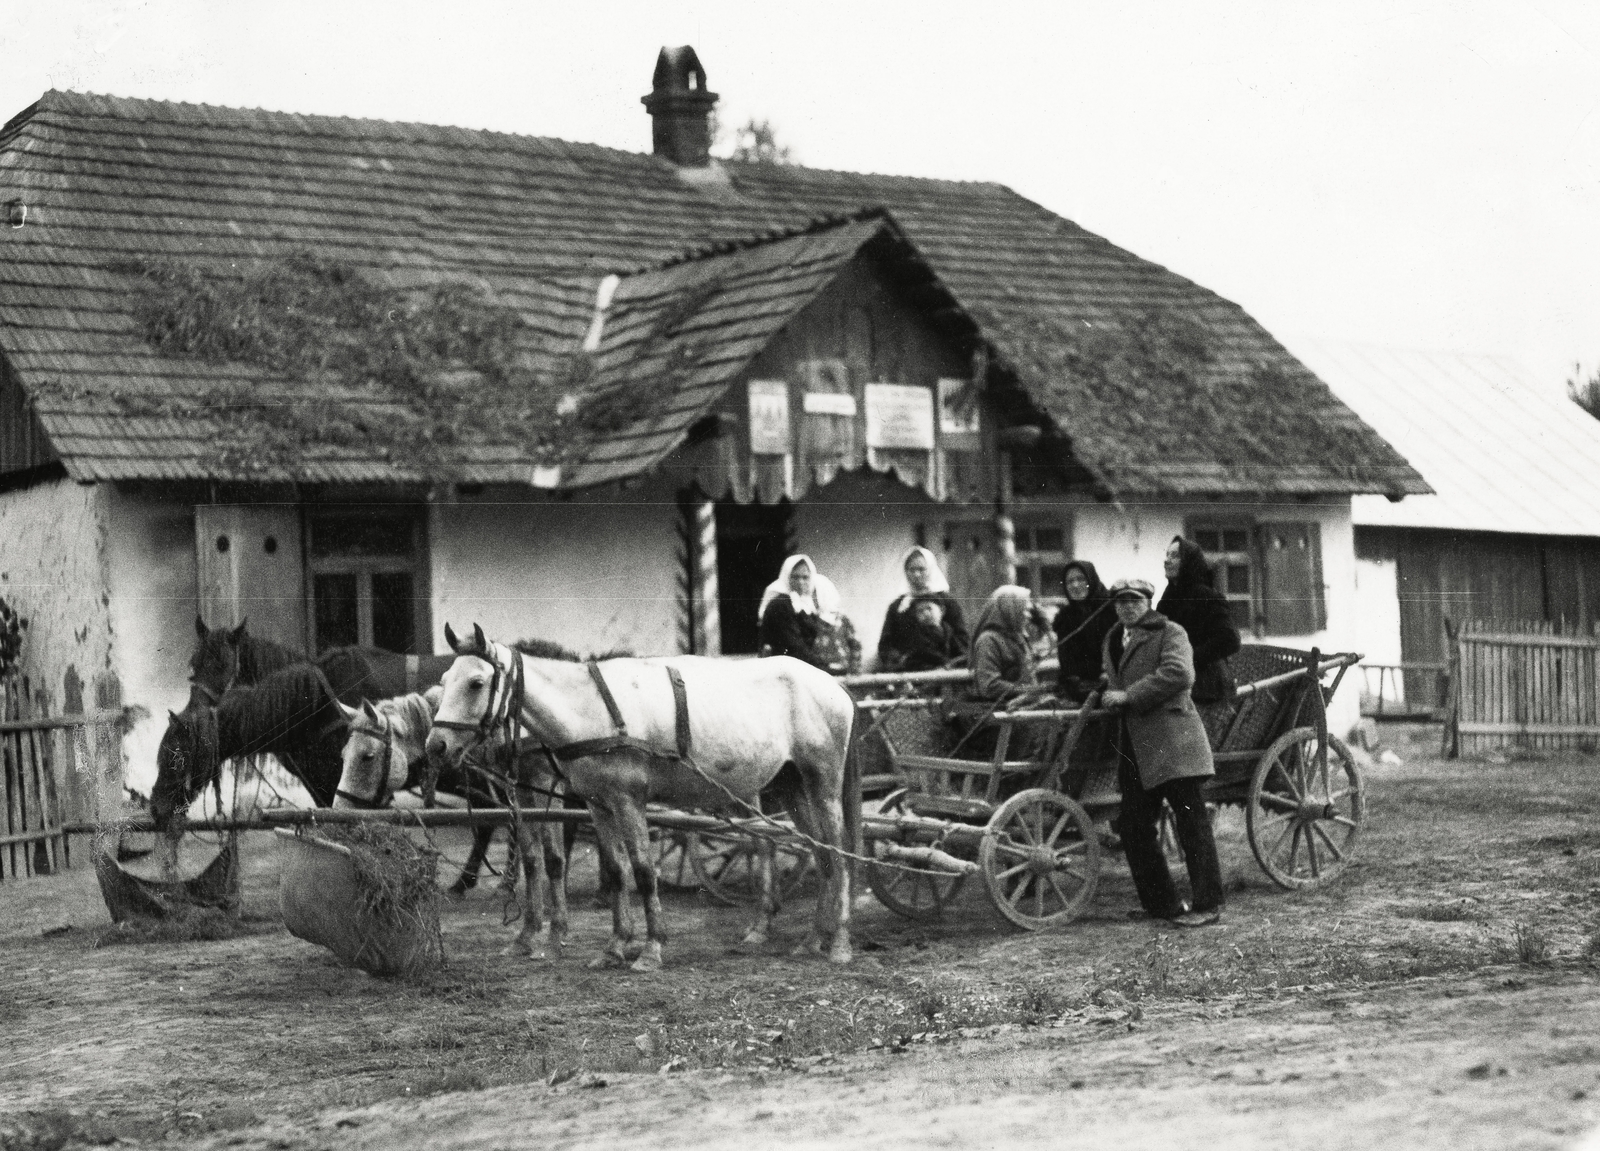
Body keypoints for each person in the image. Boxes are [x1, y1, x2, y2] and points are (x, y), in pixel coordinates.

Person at [1101, 577, 1224, 928]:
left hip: (1174, 741)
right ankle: (1163, 905)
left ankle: (1207, 905)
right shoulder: (1113, 638)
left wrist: (1129, 696)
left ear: (1148, 602)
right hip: (1136, 746)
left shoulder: (1170, 632)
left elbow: (1180, 673)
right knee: (1133, 826)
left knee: (1191, 824)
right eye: (1120, 600)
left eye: (1134, 599)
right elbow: (1114, 680)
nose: (1127, 606)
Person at [1157, 537, 1243, 704]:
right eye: (1167, 555)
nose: (1166, 560)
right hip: (1178, 679)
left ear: (1189, 562)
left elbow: (1230, 639)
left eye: (1174, 556)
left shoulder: (1206, 596)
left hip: (1206, 688)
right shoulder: (1169, 597)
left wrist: (1187, 657)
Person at [758, 554, 859, 673]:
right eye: (795, 577)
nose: (800, 582)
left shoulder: (804, 605)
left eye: (805, 577)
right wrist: (825, 668)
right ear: (786, 577)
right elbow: (794, 646)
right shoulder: (780, 605)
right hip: (783, 670)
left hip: (801, 668)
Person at [878, 546, 969, 671]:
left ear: (931, 569)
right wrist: (901, 659)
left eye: (921, 569)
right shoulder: (898, 607)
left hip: (946, 670)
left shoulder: (947, 602)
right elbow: (886, 644)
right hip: (909, 671)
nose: (916, 574)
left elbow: (962, 638)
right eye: (911, 570)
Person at [1052, 560, 1115, 703]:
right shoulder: (1065, 617)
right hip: (1079, 690)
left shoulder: (1110, 610)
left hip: (1111, 687)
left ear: (1091, 579)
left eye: (1081, 579)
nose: (1075, 585)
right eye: (1069, 581)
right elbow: (1066, 661)